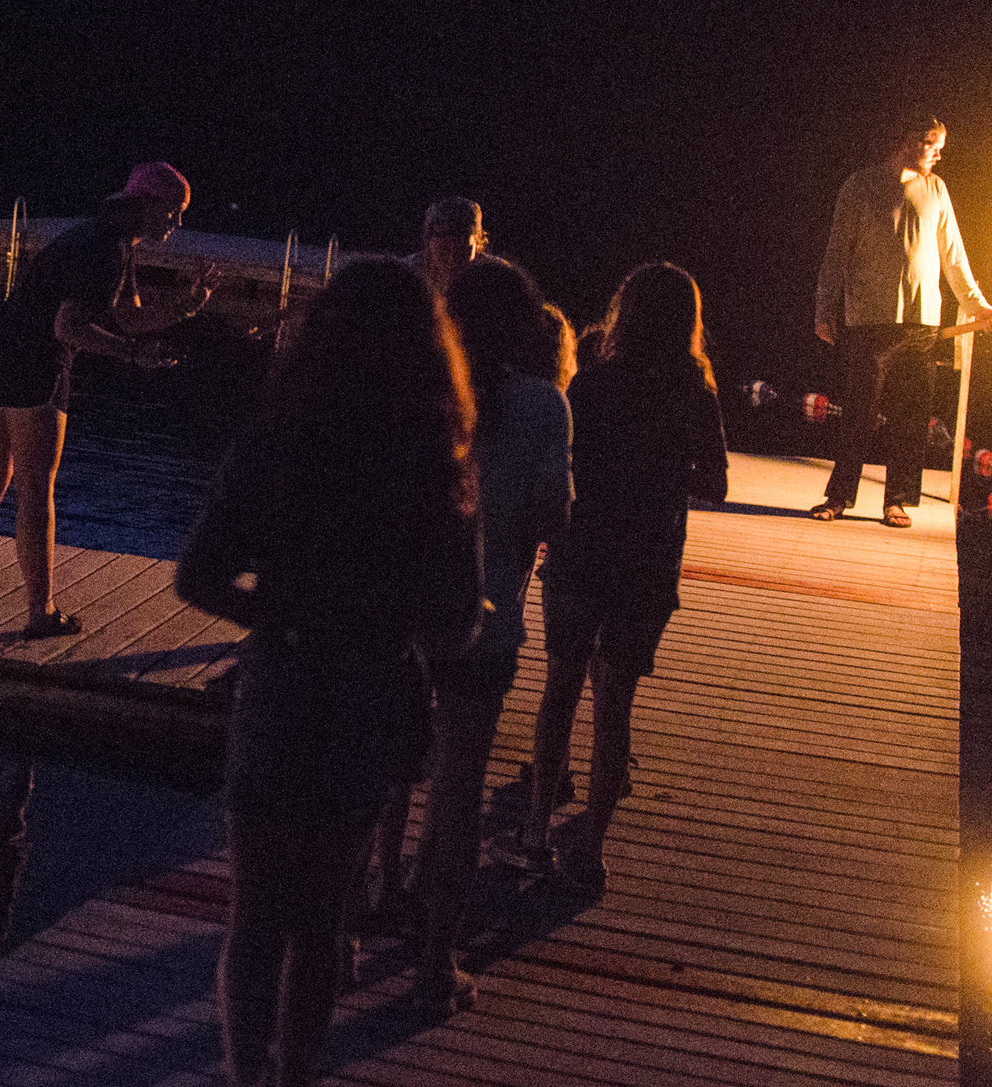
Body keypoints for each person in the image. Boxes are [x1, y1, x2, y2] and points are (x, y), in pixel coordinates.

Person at [175, 258, 480, 1085]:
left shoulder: (273, 445)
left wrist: (273, 616)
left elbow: (195, 577)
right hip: (370, 695)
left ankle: (246, 1075)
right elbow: (454, 621)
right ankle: (299, 1073)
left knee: (255, 919)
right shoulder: (434, 467)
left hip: (281, 684)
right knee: (319, 919)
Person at [364, 257, 571, 1013]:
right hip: (486, 631)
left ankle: (353, 929)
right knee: (455, 799)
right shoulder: (545, 407)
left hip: (398, 621)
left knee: (377, 776)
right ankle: (430, 968)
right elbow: (554, 517)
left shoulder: (412, 393)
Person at [496, 262, 727, 891]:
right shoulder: (695, 394)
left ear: (626, 315)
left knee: (561, 690)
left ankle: (538, 831)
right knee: (616, 706)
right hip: (648, 558)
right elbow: (716, 484)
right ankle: (591, 849)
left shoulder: (592, 386)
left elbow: (562, 465)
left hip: (581, 549)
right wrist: (666, 476)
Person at [0, 162, 217, 639]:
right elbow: (67, 327)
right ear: (146, 205)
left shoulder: (103, 240)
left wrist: (185, 308)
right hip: (33, 367)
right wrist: (133, 355)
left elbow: (127, 316)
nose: (177, 224)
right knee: (35, 489)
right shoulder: (105, 251)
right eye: (173, 213)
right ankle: (40, 614)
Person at [810, 115, 992, 525]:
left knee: (911, 417)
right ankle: (839, 497)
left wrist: (979, 306)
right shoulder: (860, 186)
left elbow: (954, 257)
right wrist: (825, 308)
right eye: (932, 143)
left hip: (922, 323)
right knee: (858, 413)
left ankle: (895, 500)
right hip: (868, 320)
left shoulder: (937, 189)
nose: (938, 152)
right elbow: (835, 254)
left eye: (941, 146)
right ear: (908, 140)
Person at [403, 196, 492, 298]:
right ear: (429, 242)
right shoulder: (408, 274)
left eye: (461, 252)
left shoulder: (494, 275)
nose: (451, 259)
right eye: (443, 251)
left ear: (477, 242)